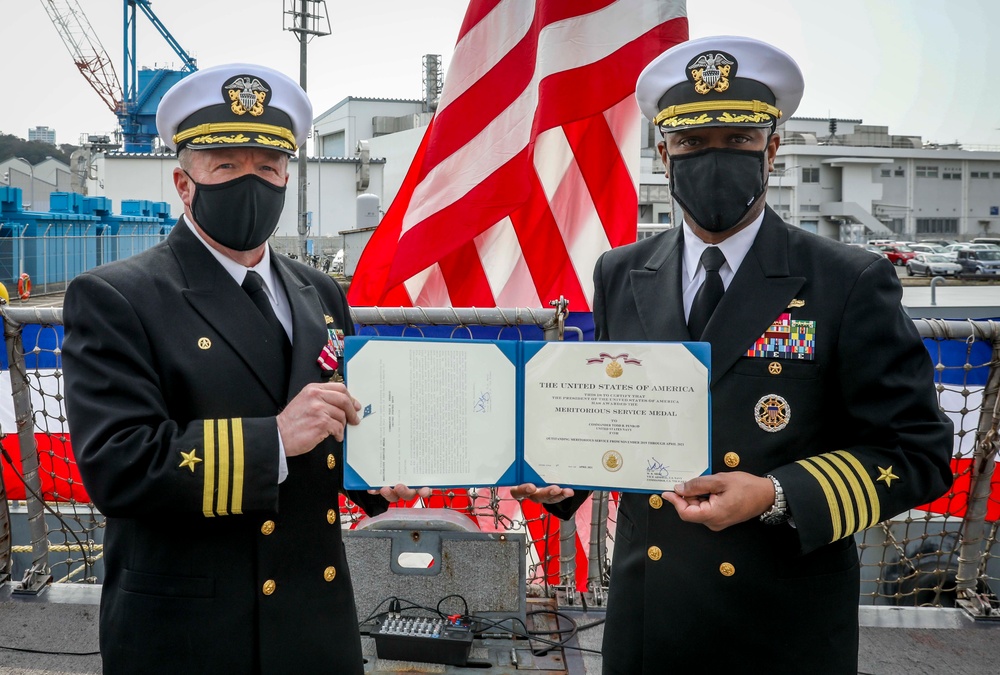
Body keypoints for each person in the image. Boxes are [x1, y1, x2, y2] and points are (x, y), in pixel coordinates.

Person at [513, 36, 953, 673]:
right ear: (663, 151)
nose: (713, 158)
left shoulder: (847, 279)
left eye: (738, 140)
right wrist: (565, 475)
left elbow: (916, 451)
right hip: (648, 618)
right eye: (692, 143)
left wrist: (774, 493)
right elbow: (618, 417)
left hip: (780, 622)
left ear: (771, 150)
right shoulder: (620, 271)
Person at [62, 63, 424, 674]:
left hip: (315, 624)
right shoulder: (117, 296)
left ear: (287, 177)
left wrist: (371, 477)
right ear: (184, 181)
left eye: (267, 166)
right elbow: (117, 465)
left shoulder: (320, 293)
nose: (249, 183)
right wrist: (273, 439)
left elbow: (333, 428)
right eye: (225, 166)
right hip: (194, 632)